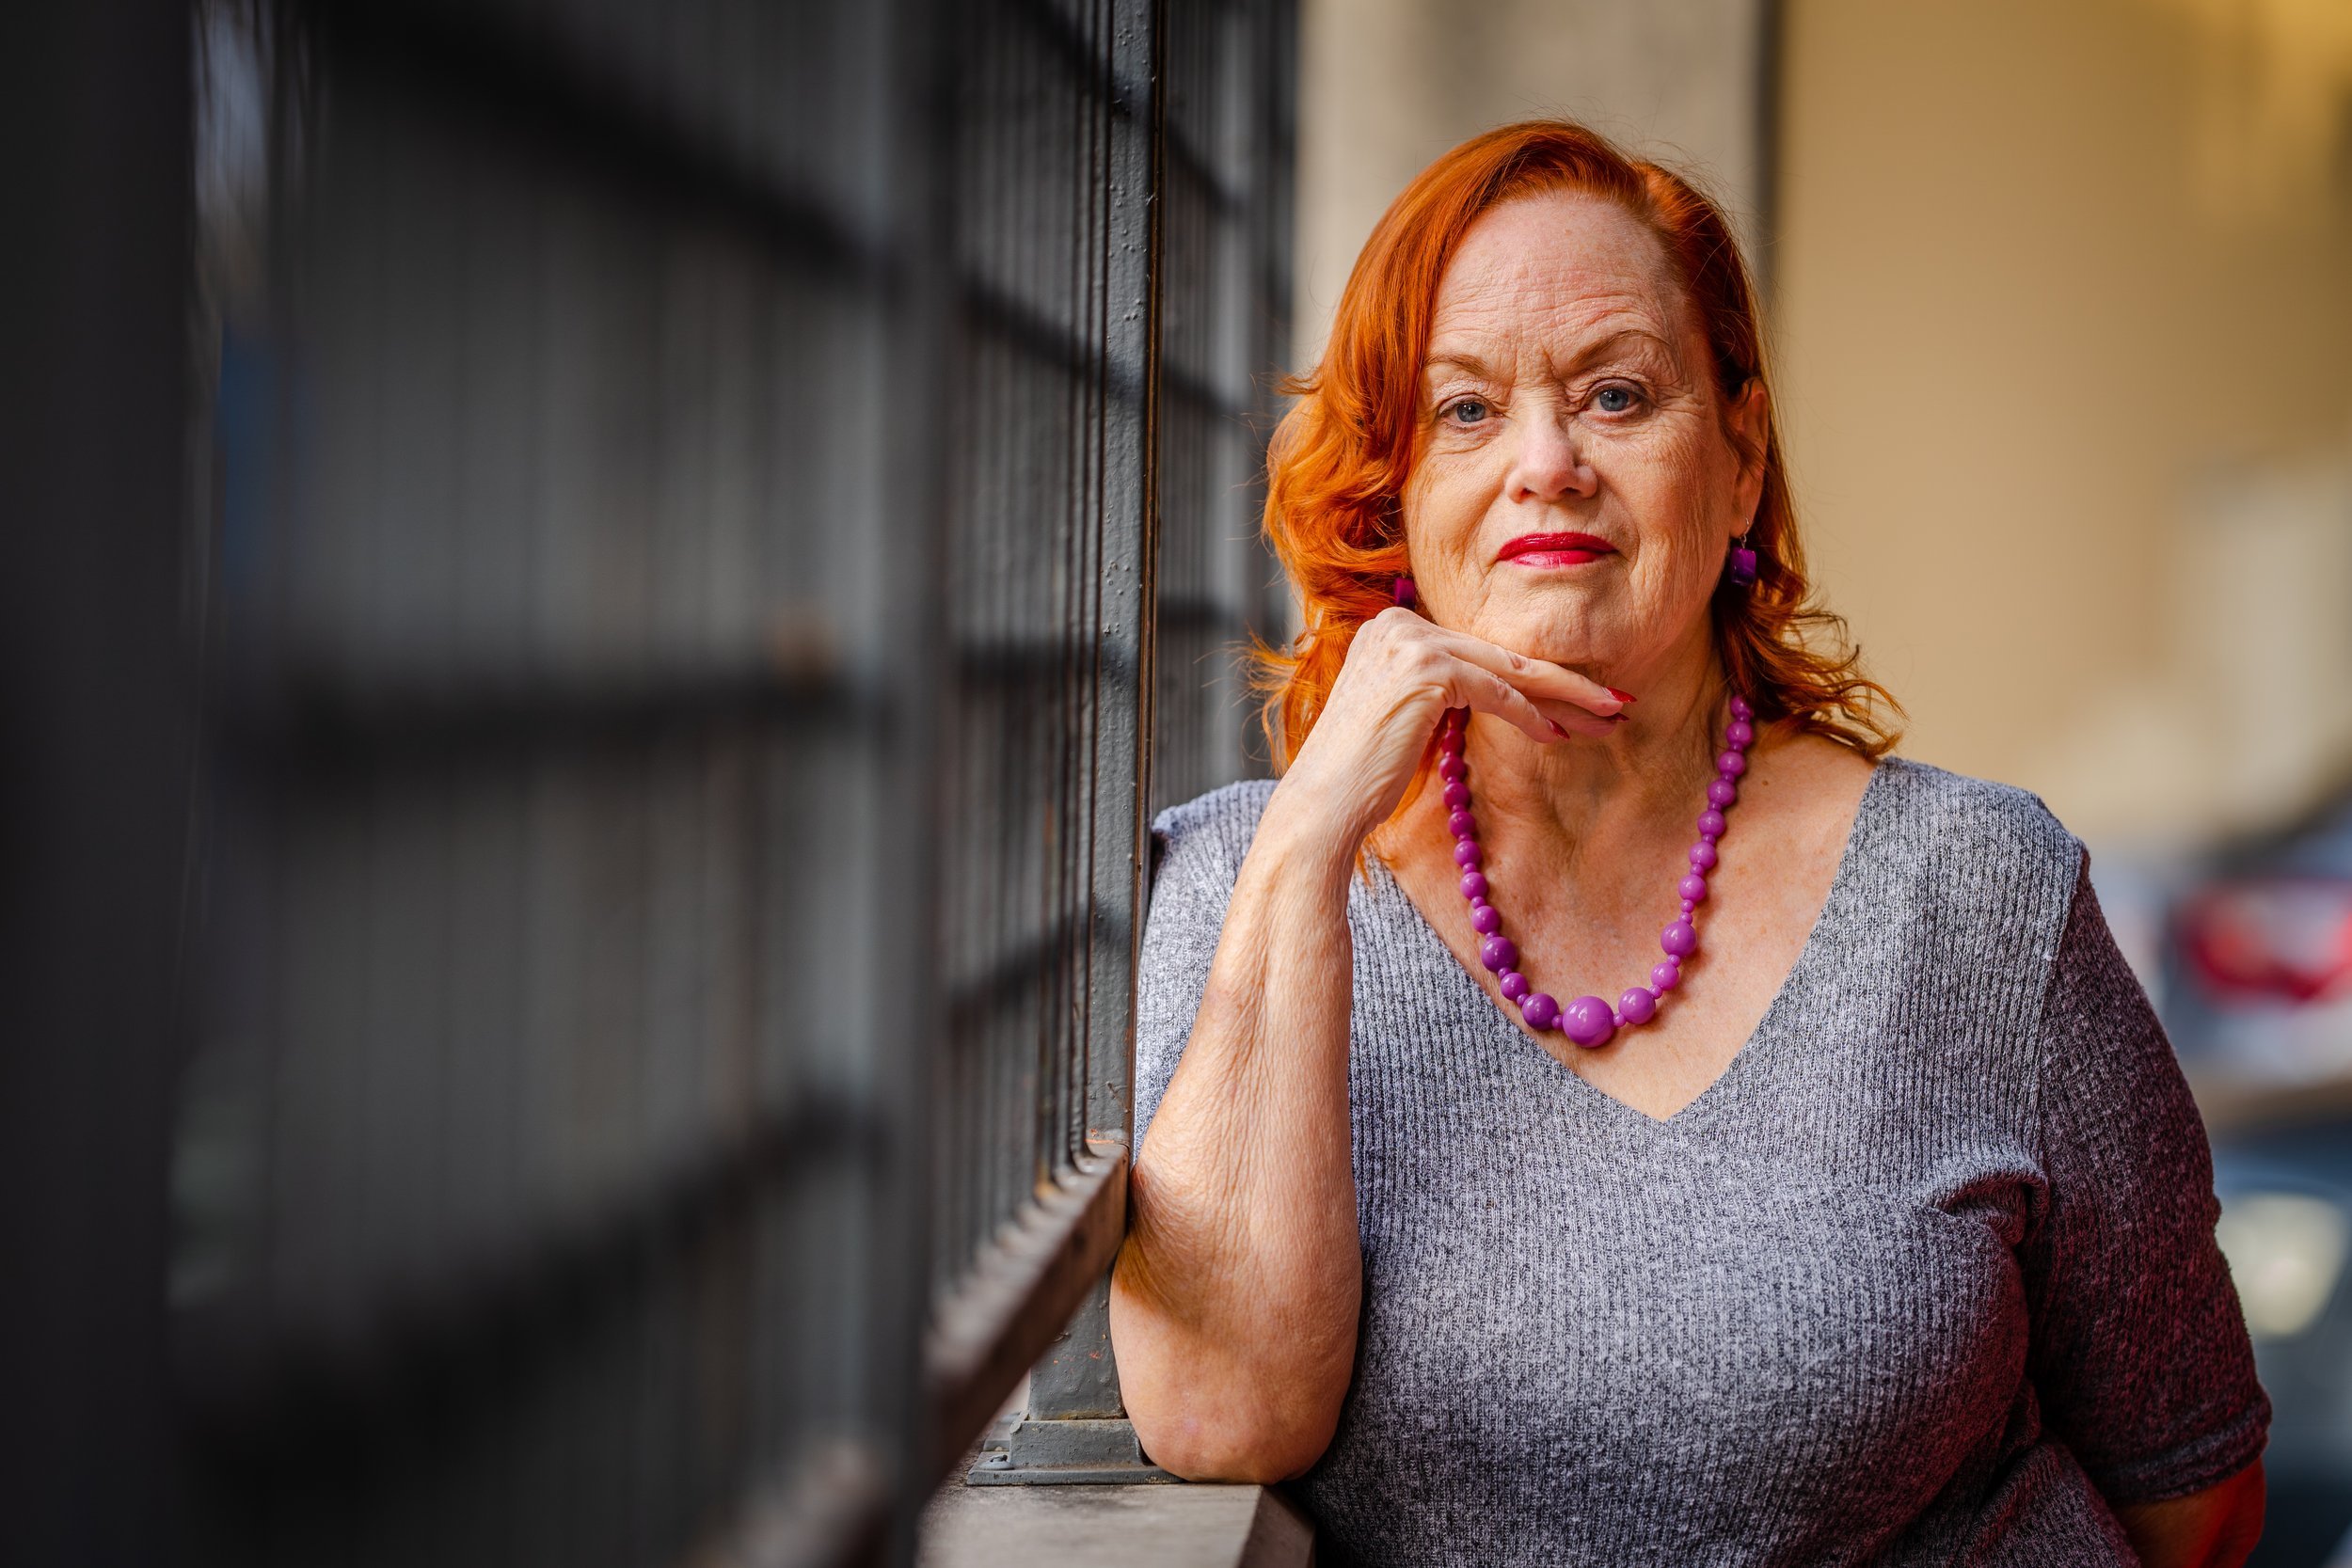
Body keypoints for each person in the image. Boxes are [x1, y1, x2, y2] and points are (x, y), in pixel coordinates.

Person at [1106, 120, 2268, 1566]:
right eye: (1465, 411)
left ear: (1737, 452)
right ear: (1395, 487)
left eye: (1617, 394)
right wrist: (1308, 842)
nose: (1546, 464)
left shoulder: (1980, 895)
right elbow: (1222, 1416)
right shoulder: (1242, 885)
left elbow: (2194, 1494)